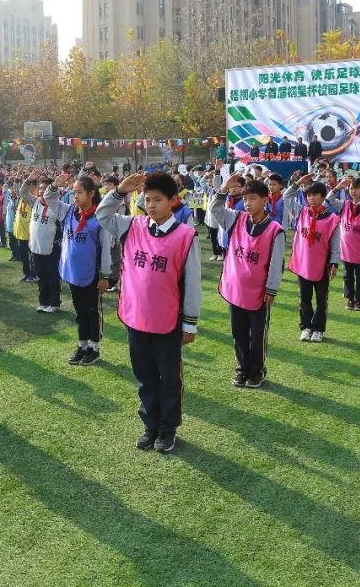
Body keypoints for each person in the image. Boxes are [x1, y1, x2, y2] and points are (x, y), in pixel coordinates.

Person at [96, 170, 202, 453]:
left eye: (158, 199)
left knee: (168, 377)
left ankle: (168, 429)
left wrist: (189, 324)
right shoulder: (133, 226)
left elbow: (192, 283)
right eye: (147, 199)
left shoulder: (185, 236)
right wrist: (119, 192)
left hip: (167, 321)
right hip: (136, 317)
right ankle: (150, 424)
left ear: (173, 201)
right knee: (144, 376)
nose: (151, 205)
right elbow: (102, 216)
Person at [210, 176, 285, 388]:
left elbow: (276, 262)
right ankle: (242, 368)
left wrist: (271, 289)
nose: (248, 204)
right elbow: (215, 210)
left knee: (257, 335)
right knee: (239, 333)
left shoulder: (274, 229)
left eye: (253, 199)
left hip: (259, 293)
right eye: (246, 199)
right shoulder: (236, 219)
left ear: (265, 200)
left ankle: (256, 370)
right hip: (236, 290)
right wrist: (224, 188)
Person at [55, 174, 113, 367]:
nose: (75, 196)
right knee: (79, 311)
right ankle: (82, 345)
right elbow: (49, 200)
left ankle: (94, 348)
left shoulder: (99, 218)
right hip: (73, 272)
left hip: (92, 274)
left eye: (79, 192)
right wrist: (55, 185)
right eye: (73, 192)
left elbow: (105, 249)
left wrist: (105, 276)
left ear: (91, 193)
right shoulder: (70, 211)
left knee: (92, 311)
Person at [285, 175, 340, 342]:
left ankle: (318, 329)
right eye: (308, 195)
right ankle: (306, 326)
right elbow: (287, 197)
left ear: (323, 197)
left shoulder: (332, 219)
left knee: (322, 299)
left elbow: (335, 243)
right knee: (304, 299)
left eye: (315, 195)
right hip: (303, 264)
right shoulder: (301, 212)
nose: (311, 198)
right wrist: (298, 183)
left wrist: (334, 263)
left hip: (321, 265)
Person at [328, 176, 360, 311]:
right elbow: (329, 200)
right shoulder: (344, 204)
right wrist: (339, 186)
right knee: (347, 275)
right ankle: (350, 298)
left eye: (357, 188)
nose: (353, 191)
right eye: (351, 188)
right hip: (346, 247)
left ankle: (359, 300)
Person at [24, 173, 69, 313]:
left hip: (52, 247)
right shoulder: (35, 201)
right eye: (41, 188)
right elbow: (23, 192)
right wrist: (29, 180)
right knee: (41, 275)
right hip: (36, 247)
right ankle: (43, 302)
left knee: (52, 276)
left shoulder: (58, 207)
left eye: (46, 188)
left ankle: (54, 303)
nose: (42, 191)